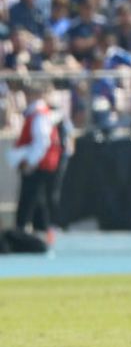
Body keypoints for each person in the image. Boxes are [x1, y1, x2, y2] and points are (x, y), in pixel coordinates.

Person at [9, 82, 62, 240]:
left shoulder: (39, 114)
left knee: (28, 198)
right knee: (38, 199)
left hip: (37, 165)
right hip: (39, 164)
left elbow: (42, 142)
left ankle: (22, 230)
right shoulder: (37, 113)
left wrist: (30, 163)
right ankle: (43, 230)